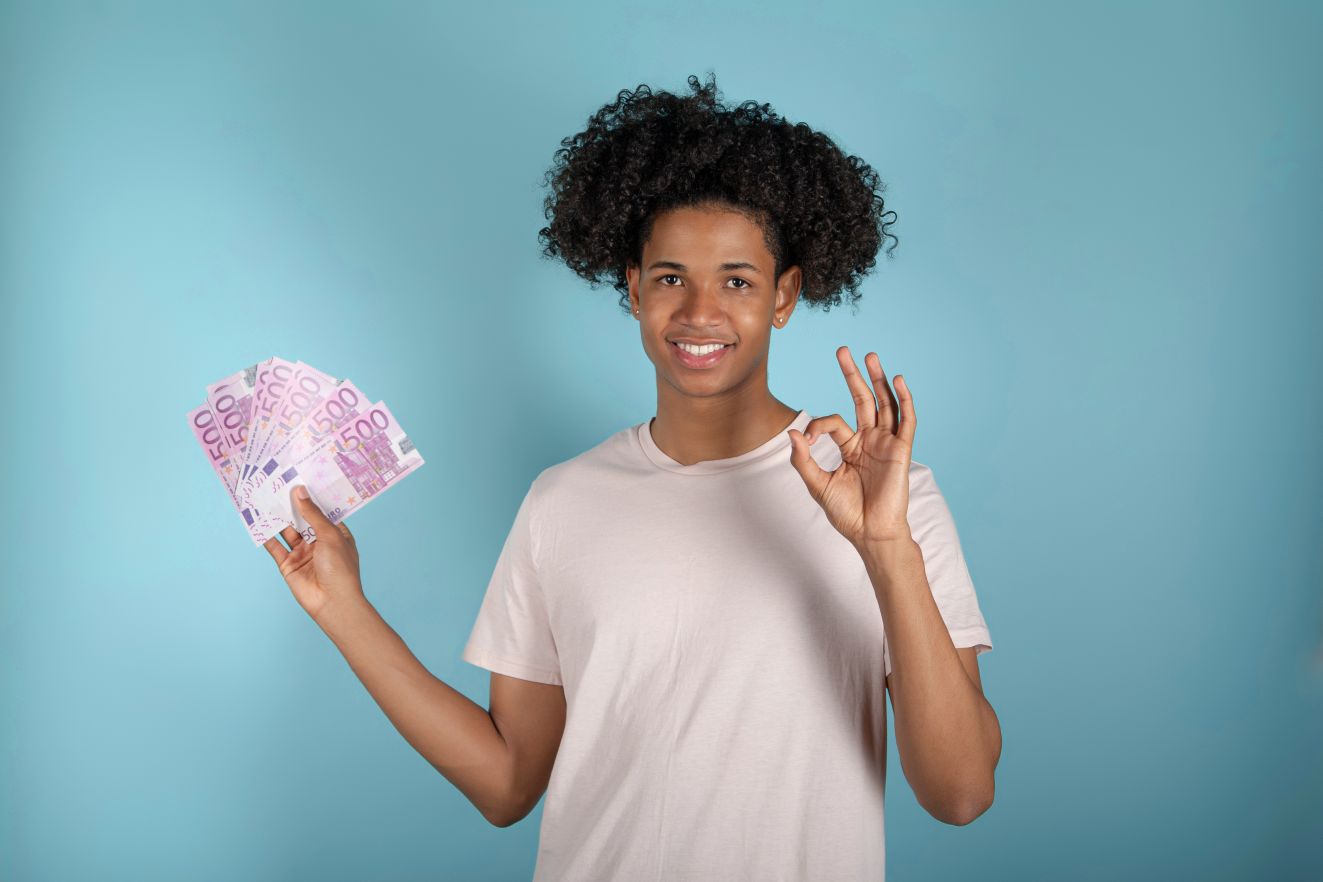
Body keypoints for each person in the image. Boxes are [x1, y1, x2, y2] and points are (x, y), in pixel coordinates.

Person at [263, 71, 1001, 881]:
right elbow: (508, 782)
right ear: (632, 288)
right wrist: (342, 610)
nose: (699, 313)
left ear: (785, 295)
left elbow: (959, 792)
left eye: (738, 281)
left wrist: (885, 548)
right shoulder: (563, 501)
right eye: (670, 277)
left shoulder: (887, 499)